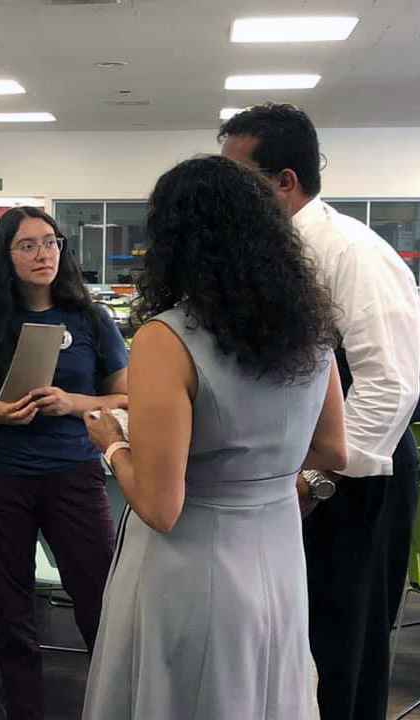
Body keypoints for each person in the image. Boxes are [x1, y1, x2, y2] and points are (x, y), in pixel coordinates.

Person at [82, 155, 346, 719]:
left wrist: (112, 443)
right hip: (278, 554)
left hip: (193, 566)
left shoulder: (167, 338)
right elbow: (333, 451)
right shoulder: (310, 331)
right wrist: (271, 484)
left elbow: (160, 505)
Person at [220, 103, 420, 720]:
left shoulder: (351, 252)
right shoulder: (271, 254)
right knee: (291, 639)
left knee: (342, 645)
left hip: (353, 480)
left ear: (284, 181)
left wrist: (319, 480)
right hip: (295, 475)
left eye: (241, 178)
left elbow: (391, 382)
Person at [0, 206, 129, 720]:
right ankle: (25, 710)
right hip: (1, 479)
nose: (43, 253)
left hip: (74, 475)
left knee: (98, 597)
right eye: (27, 245)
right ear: (6, 256)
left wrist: (73, 402)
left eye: (50, 242)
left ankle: (113, 704)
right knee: (12, 605)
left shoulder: (91, 319)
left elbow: (128, 399)